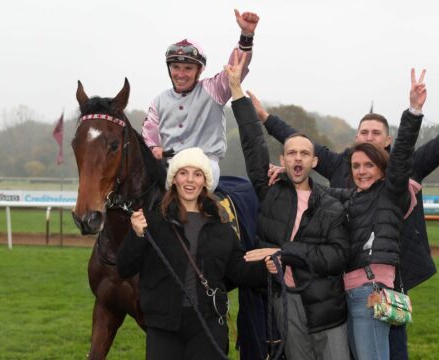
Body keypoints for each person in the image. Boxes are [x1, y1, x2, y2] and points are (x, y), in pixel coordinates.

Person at [249, 71, 439, 359]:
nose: (369, 140)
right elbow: (303, 149)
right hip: (342, 288)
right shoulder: (342, 174)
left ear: (388, 141)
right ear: (354, 142)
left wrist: (414, 111)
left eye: (376, 134)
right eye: (364, 133)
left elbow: (438, 145)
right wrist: (270, 129)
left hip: (380, 287)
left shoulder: (394, 182)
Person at [226, 52, 351, 360]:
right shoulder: (270, 192)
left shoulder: (330, 204)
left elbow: (337, 257)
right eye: (291, 153)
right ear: (282, 160)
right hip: (285, 301)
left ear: (314, 161)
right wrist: (238, 95)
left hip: (326, 306)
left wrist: (284, 253)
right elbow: (254, 145)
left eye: (304, 153)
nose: (297, 158)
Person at [116, 147, 267, 360]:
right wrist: (137, 236)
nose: (190, 180)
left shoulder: (221, 226)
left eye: (197, 174)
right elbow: (124, 268)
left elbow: (237, 271)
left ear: (205, 181)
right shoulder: (153, 221)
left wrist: (265, 268)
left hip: (208, 326)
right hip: (163, 327)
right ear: (174, 179)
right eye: (183, 173)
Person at [142, 9, 260, 191]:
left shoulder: (214, 89)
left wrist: (246, 35)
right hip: (169, 166)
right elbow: (149, 136)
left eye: (188, 68)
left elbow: (236, 69)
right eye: (176, 67)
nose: (181, 74)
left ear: (200, 70)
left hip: (205, 166)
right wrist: (154, 149)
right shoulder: (158, 101)